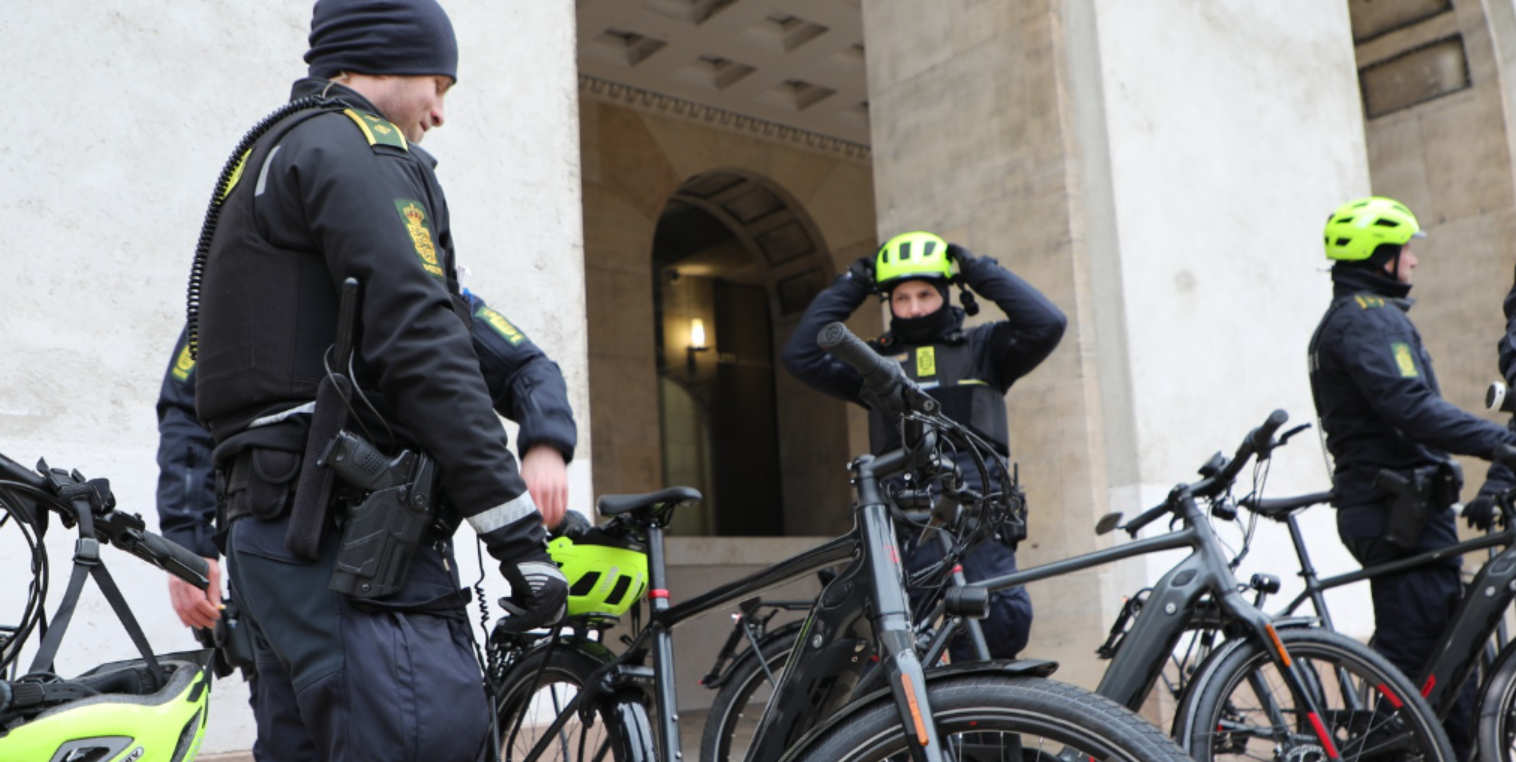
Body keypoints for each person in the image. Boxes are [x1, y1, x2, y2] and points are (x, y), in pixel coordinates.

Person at [187, 1, 567, 759]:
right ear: (381, 58)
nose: (439, 112)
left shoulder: (266, 158)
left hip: (273, 541)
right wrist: (519, 538)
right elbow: (426, 346)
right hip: (351, 555)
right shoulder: (359, 150)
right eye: (439, 83)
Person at [781, 231, 1067, 661]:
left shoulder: (985, 347)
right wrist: (855, 282)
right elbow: (801, 355)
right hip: (907, 522)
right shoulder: (874, 365)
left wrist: (976, 270)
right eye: (900, 298)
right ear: (888, 304)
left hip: (978, 518)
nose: (913, 308)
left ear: (946, 295)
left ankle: (986, 725)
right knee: (904, 644)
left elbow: (1048, 323)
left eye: (925, 294)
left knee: (996, 631)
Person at [1308, 196, 1516, 759]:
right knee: (1423, 665)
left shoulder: (1358, 318)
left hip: (1400, 509)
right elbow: (1412, 407)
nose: (1413, 262)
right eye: (1405, 250)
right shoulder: (1370, 319)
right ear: (1380, 256)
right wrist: (1501, 442)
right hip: (1401, 513)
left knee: (1441, 663)